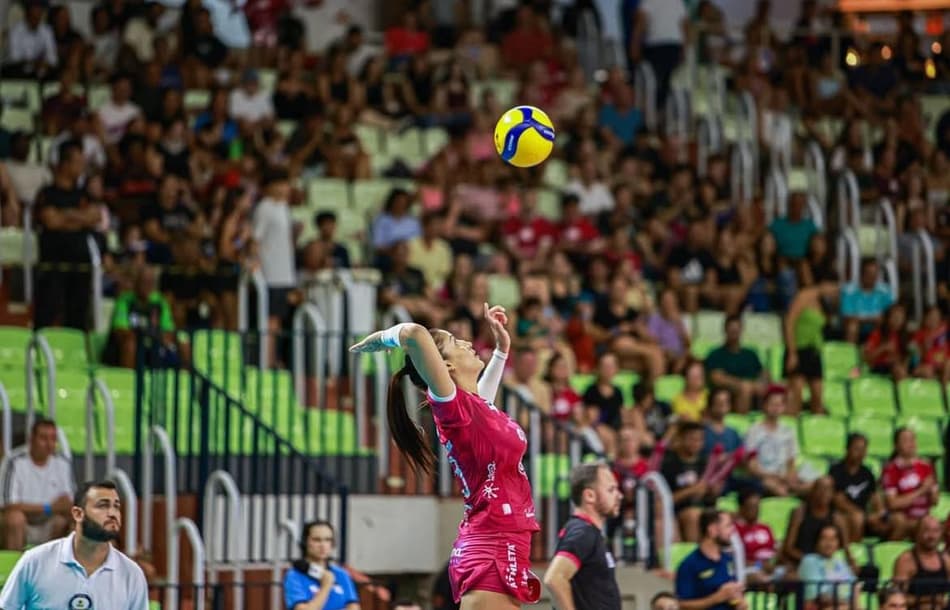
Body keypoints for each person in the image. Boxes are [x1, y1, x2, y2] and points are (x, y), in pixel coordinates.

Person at [349, 303, 541, 610]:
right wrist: (380, 339)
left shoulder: (476, 409)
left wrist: (501, 351)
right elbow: (414, 333)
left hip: (508, 538)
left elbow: (483, 398)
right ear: (446, 367)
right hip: (491, 543)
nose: (466, 342)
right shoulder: (452, 408)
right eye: (454, 341)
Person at [0, 480, 149, 610]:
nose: (112, 513)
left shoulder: (132, 573)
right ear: (78, 514)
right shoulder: (35, 561)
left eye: (116, 507)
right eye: (103, 506)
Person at [543, 462, 623, 610]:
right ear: (589, 496)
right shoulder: (583, 532)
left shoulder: (588, 532)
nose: (619, 495)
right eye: (611, 490)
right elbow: (554, 578)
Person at [0, 418, 75, 549]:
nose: (49, 444)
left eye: (53, 439)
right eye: (44, 438)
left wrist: (59, 507)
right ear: (31, 439)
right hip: (23, 524)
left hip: (50, 523)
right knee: (14, 519)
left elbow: (68, 503)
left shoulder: (62, 462)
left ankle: (57, 561)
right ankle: (15, 562)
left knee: (70, 520)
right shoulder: (14, 461)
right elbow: (9, 506)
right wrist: (49, 507)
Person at [675, 510, 747, 610]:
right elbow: (682, 605)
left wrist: (740, 602)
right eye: (728, 526)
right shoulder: (689, 565)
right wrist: (717, 598)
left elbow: (734, 595)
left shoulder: (728, 559)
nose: (732, 531)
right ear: (712, 530)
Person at [283, 520, 360, 610]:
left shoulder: (341, 574)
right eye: (317, 540)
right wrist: (326, 585)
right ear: (305, 542)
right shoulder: (294, 576)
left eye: (327, 540)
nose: (323, 545)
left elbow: (354, 607)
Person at [829, 433, 891, 542]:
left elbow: (874, 497)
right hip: (842, 514)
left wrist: (879, 513)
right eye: (857, 449)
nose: (860, 453)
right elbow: (838, 501)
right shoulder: (836, 471)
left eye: (863, 449)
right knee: (857, 518)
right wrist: (864, 516)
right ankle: (855, 550)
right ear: (847, 449)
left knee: (891, 522)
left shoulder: (867, 473)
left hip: (863, 516)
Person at [892, 516, 950, 610]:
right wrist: (929, 599)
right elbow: (898, 599)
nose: (932, 536)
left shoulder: (946, 559)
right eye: (927, 530)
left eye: (936, 531)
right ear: (917, 533)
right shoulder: (906, 560)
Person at [798, 524, 859, 610]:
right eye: (824, 538)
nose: (829, 543)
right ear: (816, 542)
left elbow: (854, 589)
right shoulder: (809, 561)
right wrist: (847, 603)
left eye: (833, 539)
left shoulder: (841, 563)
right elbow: (820, 597)